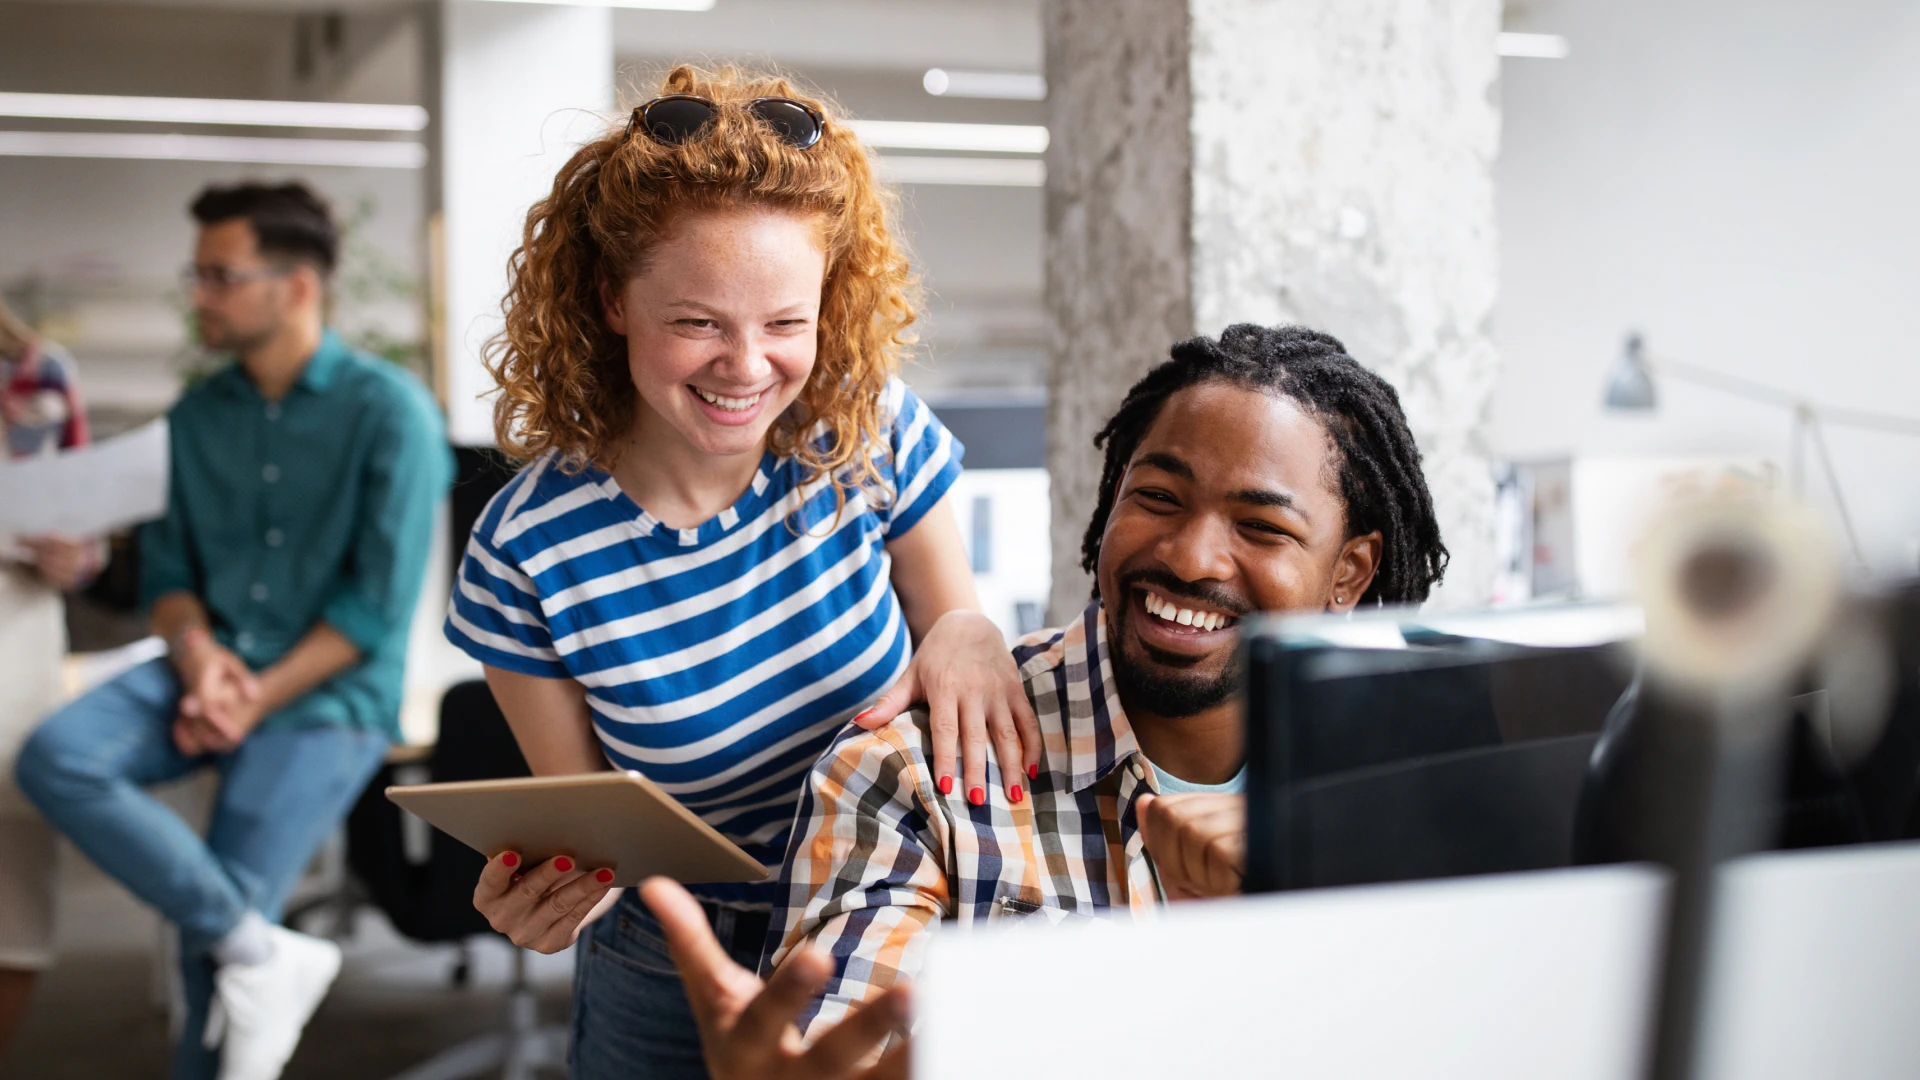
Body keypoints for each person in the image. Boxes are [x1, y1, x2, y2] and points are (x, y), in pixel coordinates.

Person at [640, 322, 1453, 1079]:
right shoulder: (910, 773)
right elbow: (855, 1034)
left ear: (1348, 573)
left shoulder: (1414, 781)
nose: (1192, 554)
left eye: (1262, 528)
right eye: (1159, 499)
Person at [443, 65, 1036, 1080]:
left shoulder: (868, 434)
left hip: (895, 919)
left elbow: (958, 639)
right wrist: (540, 892)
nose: (747, 366)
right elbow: (591, 823)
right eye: (697, 322)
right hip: (675, 961)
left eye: (785, 323)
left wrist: (972, 635)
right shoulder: (524, 552)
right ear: (612, 302)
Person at [16, 182, 452, 1080]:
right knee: (57, 756)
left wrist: (249, 696)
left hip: (327, 695)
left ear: (296, 286)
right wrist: (202, 655)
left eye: (219, 275)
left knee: (202, 943)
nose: (198, 295)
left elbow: (371, 612)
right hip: (204, 667)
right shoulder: (197, 418)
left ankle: (234, 961)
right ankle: (264, 949)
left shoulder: (391, 414)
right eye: (199, 274)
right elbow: (170, 581)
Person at [0, 299, 103, 1053]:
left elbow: (85, 527)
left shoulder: (35, 372)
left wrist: (79, 555)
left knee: (13, 906)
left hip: (16, 643)